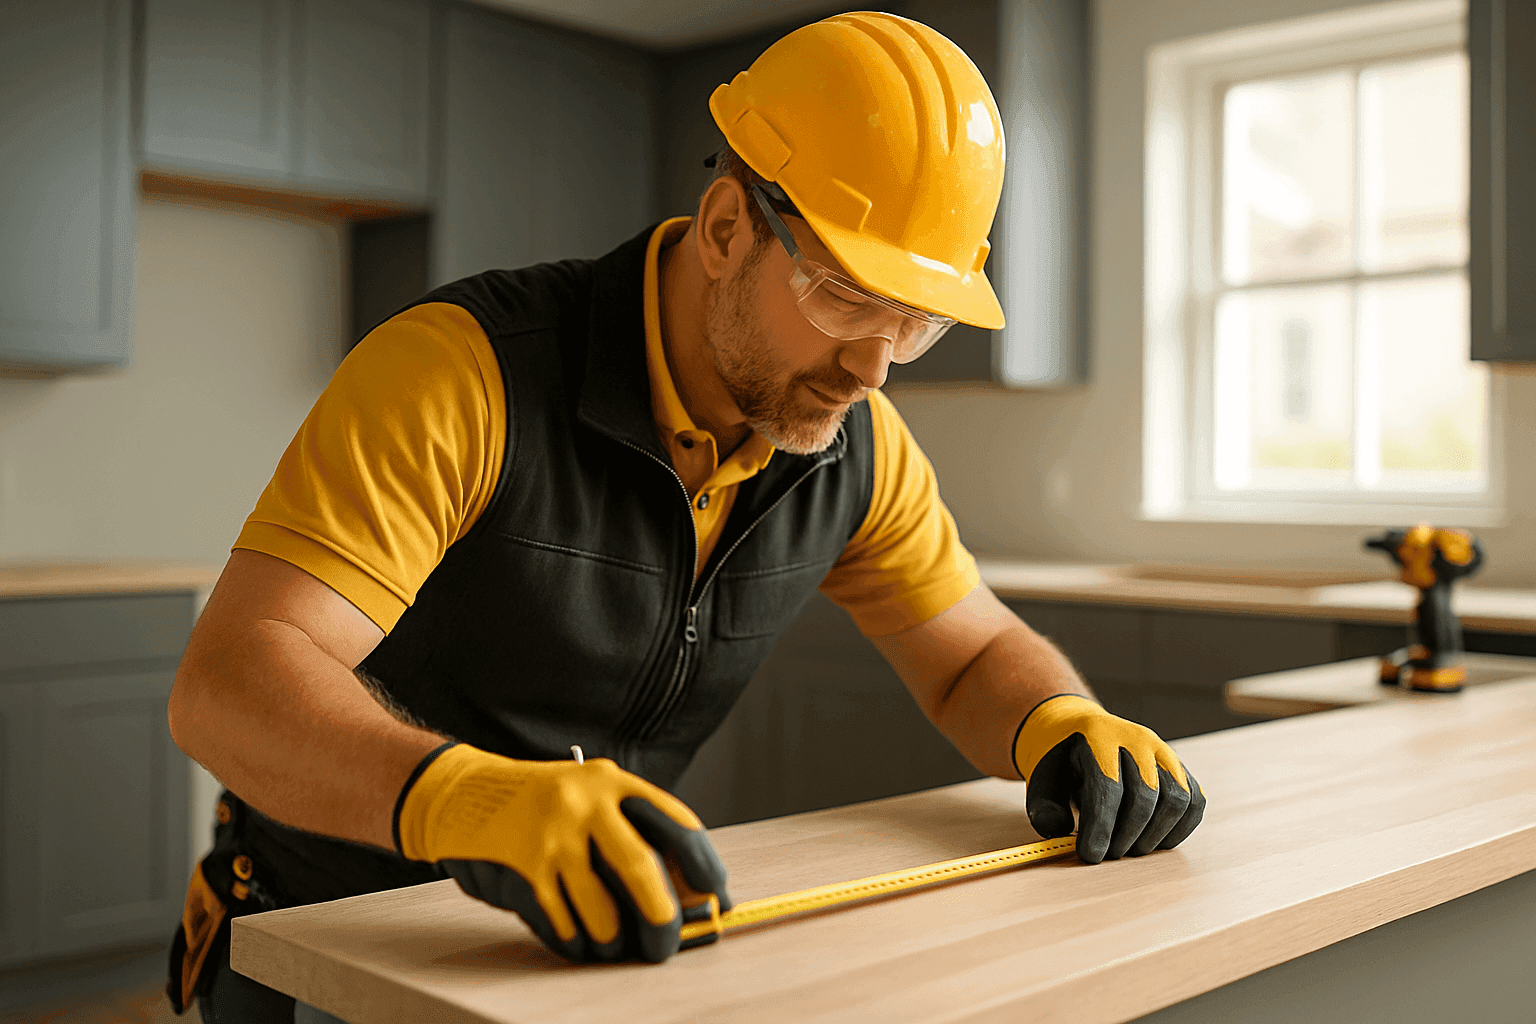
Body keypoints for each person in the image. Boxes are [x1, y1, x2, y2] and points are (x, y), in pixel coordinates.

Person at [164, 11, 1205, 1022]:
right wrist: (465, 801)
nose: (873, 365)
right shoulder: (463, 373)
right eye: (846, 298)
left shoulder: (856, 443)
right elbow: (227, 683)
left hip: (577, 954)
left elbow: (971, 652)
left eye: (915, 320)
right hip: (333, 944)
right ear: (725, 229)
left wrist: (1055, 721)